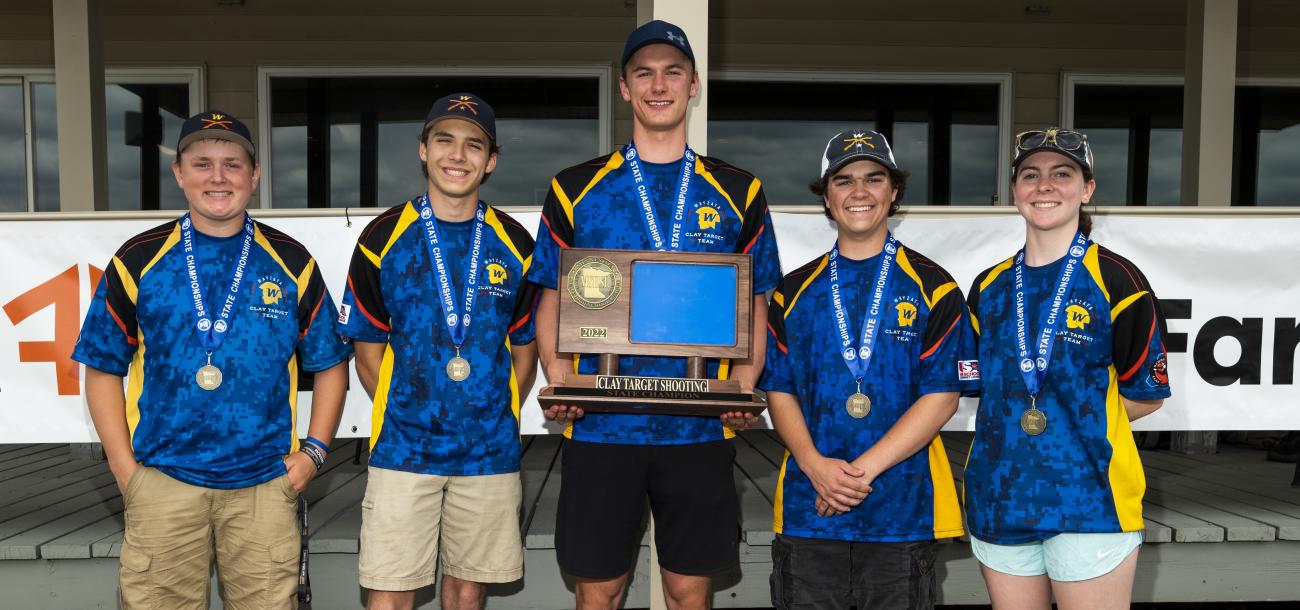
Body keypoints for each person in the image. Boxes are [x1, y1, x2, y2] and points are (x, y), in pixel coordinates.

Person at [526, 20, 782, 609]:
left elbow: (757, 298)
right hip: (603, 426)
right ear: (624, 88)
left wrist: (742, 388)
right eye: (644, 73)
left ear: (694, 84)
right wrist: (562, 380)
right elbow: (552, 296)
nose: (658, 85)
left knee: (689, 593)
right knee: (600, 593)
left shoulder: (738, 189)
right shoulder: (576, 187)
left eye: (672, 72)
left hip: (697, 429)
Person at [72, 111, 352, 609]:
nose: (217, 177)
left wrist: (313, 455)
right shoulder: (139, 258)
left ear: (255, 176)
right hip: (162, 480)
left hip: (265, 484)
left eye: (232, 164)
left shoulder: (290, 261)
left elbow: (331, 362)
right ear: (178, 173)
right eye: (202, 163)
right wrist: (125, 471)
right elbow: (101, 366)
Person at [759, 130, 977, 609]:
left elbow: (942, 395)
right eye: (844, 180)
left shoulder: (935, 287)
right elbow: (778, 389)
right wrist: (817, 469)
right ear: (827, 195)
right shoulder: (791, 292)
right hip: (808, 508)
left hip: (901, 512)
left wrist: (853, 477)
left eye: (873, 179)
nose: (859, 192)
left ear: (893, 191)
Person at [338, 92, 539, 610]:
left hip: (488, 453)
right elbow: (367, 353)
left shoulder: (516, 243)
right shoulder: (382, 237)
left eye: (474, 145)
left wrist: (491, 414)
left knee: (467, 595)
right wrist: (408, 410)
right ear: (423, 149)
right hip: (403, 448)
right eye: (444, 140)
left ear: (490, 161)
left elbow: (524, 350)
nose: (458, 155)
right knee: (389, 596)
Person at [964, 128, 1171, 609]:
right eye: (1030, 175)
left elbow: (1146, 393)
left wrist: (1072, 424)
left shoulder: (1119, 280)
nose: (1045, 186)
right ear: (1015, 189)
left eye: (1063, 174)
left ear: (1087, 188)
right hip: (1000, 495)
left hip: (1090, 499)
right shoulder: (988, 287)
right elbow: (976, 389)